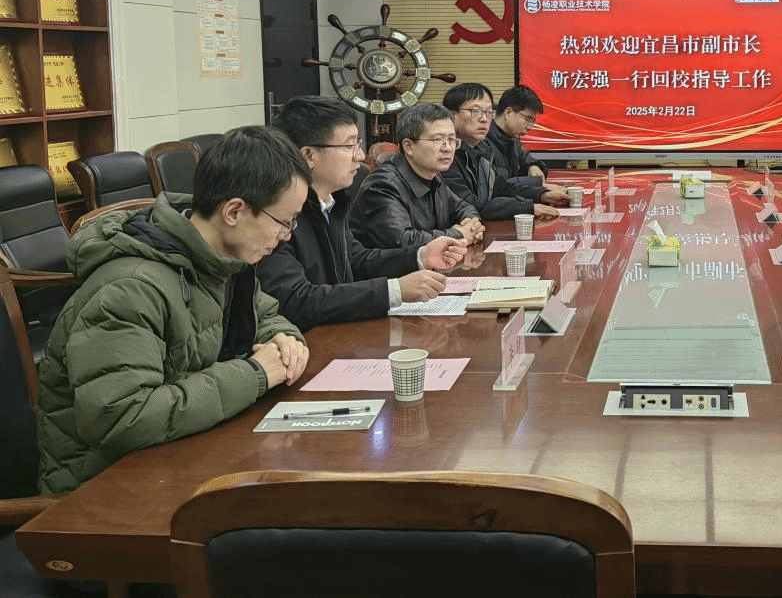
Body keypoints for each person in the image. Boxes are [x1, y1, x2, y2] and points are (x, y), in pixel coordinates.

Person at [37, 126, 311, 494]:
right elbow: (123, 418)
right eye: (284, 221)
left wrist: (284, 340)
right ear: (234, 211)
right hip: (104, 491)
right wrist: (255, 374)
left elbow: (264, 314)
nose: (287, 235)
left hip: (180, 459)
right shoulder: (130, 288)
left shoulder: (221, 260)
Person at [260, 96, 468, 331]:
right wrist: (395, 290)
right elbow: (295, 300)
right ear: (308, 155)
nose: (359, 157)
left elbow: (356, 260)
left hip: (339, 332)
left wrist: (420, 256)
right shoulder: (276, 214)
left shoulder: (331, 202)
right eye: (350, 146)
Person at [350, 103, 485, 250]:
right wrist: (459, 234)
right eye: (438, 140)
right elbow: (402, 241)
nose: (448, 148)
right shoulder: (382, 186)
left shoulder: (433, 176)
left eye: (452, 140)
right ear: (409, 146)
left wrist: (472, 224)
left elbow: (462, 207)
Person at [441, 82, 566, 220]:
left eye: (489, 112)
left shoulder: (480, 150)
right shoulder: (444, 155)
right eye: (476, 111)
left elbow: (502, 187)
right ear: (452, 115)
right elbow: (469, 205)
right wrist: (526, 206)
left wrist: (542, 194)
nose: (484, 119)